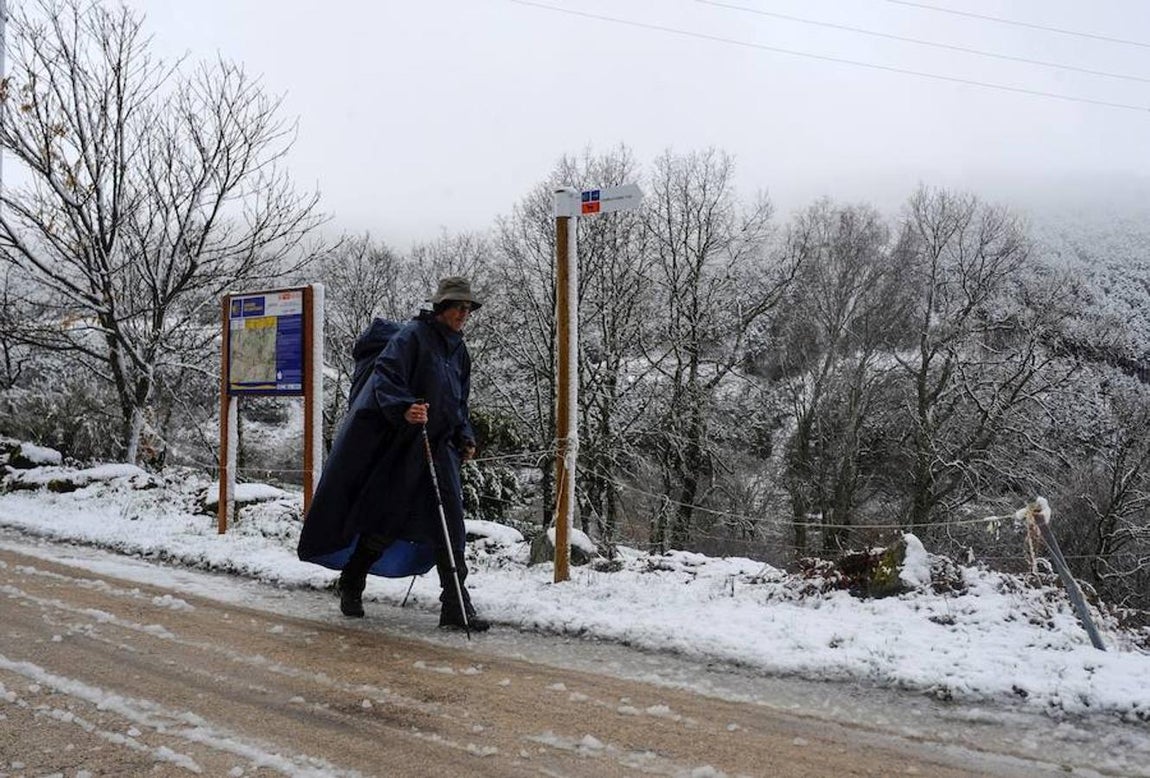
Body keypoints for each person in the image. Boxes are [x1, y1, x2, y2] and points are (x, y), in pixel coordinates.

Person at [297, 276, 489, 631]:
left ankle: (455, 605)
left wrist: (465, 435)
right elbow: (386, 375)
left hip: (441, 448)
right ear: (443, 307)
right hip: (408, 447)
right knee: (387, 521)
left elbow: (459, 401)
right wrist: (405, 408)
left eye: (468, 308)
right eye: (460, 307)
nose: (465, 313)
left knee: (451, 524)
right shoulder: (413, 337)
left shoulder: (459, 350)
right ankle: (352, 579)